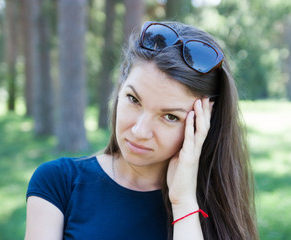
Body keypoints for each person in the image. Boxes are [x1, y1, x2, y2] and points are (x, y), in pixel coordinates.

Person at [25, 21, 259, 240]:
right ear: (120, 87)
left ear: (203, 124)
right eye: (133, 99)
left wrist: (184, 204)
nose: (139, 131)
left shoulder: (212, 210)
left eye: (170, 116)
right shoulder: (58, 183)